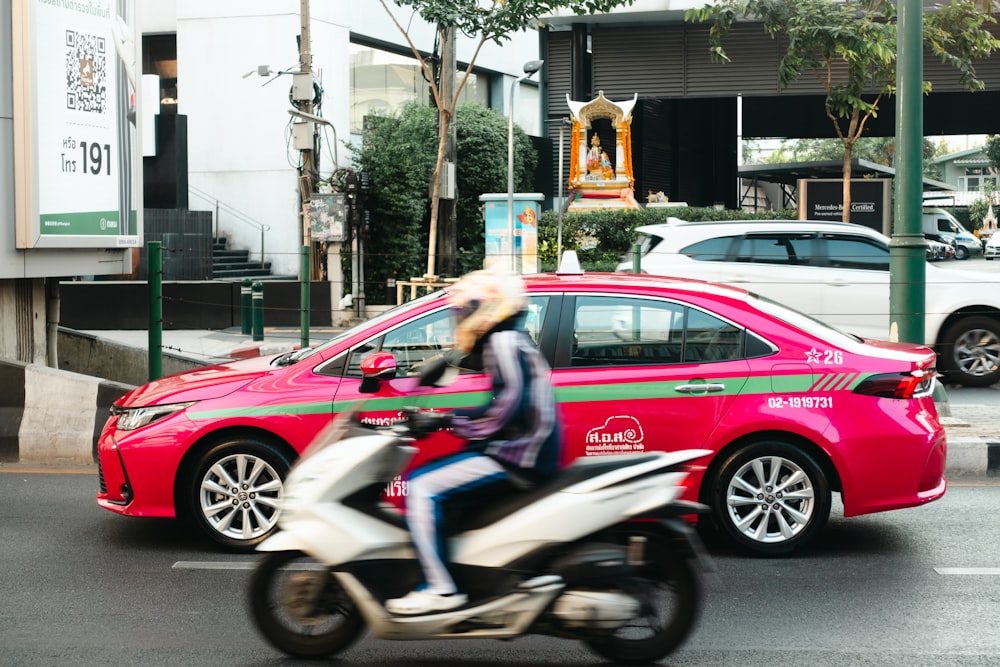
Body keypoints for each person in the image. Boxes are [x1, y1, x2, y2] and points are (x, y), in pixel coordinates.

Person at [385, 270, 560, 616]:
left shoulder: (504, 343)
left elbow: (506, 410)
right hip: (519, 448)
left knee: (420, 487)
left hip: (518, 454)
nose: (461, 319)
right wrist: (436, 382)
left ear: (488, 310)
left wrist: (445, 420)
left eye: (465, 311)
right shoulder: (508, 340)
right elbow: (482, 387)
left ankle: (440, 588)